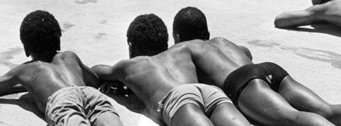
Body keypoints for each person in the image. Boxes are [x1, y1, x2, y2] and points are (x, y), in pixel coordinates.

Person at [172, 7, 341, 126]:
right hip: (268, 69)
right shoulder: (222, 41)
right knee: (326, 109)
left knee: (292, 119)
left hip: (243, 83)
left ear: (178, 37)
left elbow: (184, 84)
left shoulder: (187, 49)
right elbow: (247, 53)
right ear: (207, 32)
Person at [0, 9, 124, 126]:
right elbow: (95, 81)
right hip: (90, 94)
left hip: (62, 101)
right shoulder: (69, 56)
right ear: (58, 42)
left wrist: (24, 85)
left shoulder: (27, 70)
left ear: (26, 50)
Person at [93, 13, 248, 126]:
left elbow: (96, 71)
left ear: (131, 46)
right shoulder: (180, 51)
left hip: (178, 100)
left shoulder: (130, 67)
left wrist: (122, 81)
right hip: (208, 92)